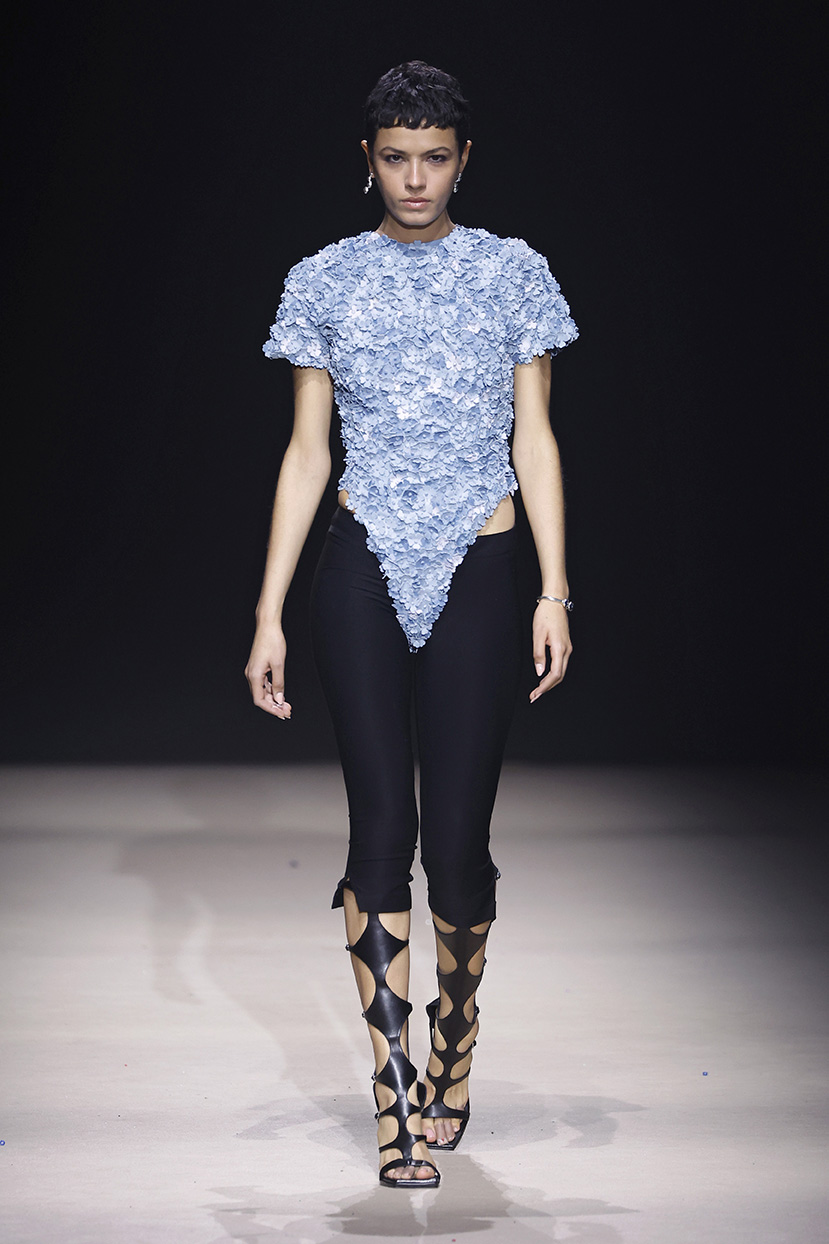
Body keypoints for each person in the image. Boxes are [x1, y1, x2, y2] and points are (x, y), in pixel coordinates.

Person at [245, 60, 578, 1189]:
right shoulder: (324, 279)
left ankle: (456, 1038)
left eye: (435, 157)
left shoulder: (513, 272)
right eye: (396, 158)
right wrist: (268, 611)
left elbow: (535, 438)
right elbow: (306, 454)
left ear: (464, 159)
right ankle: (392, 1095)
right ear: (368, 160)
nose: (416, 177)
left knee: (460, 849)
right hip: (359, 566)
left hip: (485, 563)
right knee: (379, 829)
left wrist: (553, 589)